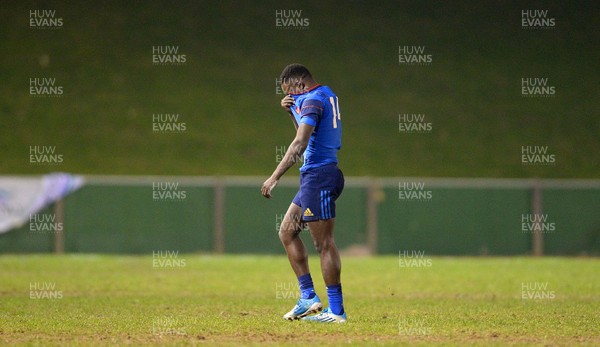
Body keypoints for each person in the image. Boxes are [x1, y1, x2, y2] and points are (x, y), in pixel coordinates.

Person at [261, 63, 346, 323]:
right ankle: (308, 297)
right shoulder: (325, 94)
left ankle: (336, 311)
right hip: (316, 176)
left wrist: (274, 177)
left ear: (299, 84)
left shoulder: (312, 101)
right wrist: (290, 112)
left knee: (323, 244)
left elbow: (300, 142)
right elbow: (306, 131)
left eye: (291, 91)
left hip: (319, 176)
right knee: (287, 231)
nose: (291, 96)